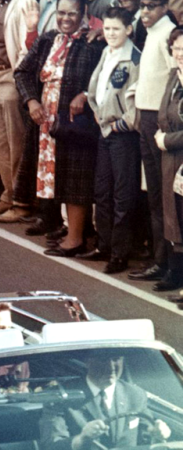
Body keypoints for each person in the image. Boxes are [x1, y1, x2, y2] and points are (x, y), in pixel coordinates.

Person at [14, 0, 106, 258]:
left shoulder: (94, 43)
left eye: (72, 13)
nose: (66, 19)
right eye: (61, 13)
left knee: (76, 177)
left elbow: (106, 76)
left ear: (83, 14)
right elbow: (22, 72)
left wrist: (86, 95)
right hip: (46, 121)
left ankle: (76, 238)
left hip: (75, 123)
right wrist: (31, 100)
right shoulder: (48, 39)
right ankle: (69, 231)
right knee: (55, 175)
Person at [80, 7, 141, 274]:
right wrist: (96, 111)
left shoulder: (134, 60)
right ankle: (103, 245)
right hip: (104, 131)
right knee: (101, 191)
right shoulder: (106, 52)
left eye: (116, 28)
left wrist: (120, 124)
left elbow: (137, 102)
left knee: (122, 195)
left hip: (123, 135)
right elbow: (96, 89)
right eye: (106, 28)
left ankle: (120, 253)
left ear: (128, 30)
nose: (110, 33)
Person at [128, 0, 177, 286]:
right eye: (142, 6)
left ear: (164, 6)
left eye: (151, 5)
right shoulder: (152, 32)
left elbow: (176, 78)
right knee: (154, 195)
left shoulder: (168, 33)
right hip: (146, 116)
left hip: (159, 121)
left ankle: (168, 264)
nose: (145, 12)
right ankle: (160, 259)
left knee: (163, 196)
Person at [0, 0, 34, 223]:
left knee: (16, 143)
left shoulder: (23, 4)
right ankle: (8, 194)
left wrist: (17, 74)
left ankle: (22, 201)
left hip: (10, 76)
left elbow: (26, 47)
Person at [39, 355, 171, 450]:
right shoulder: (60, 396)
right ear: (87, 361)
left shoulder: (135, 394)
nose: (111, 367)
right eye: (103, 359)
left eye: (116, 359)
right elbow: (51, 445)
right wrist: (82, 439)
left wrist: (158, 433)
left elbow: (146, 434)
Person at [151, 26, 183, 294]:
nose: (180, 54)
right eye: (176, 49)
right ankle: (175, 272)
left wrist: (168, 140)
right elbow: (164, 113)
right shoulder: (175, 75)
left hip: (176, 150)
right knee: (171, 212)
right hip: (170, 156)